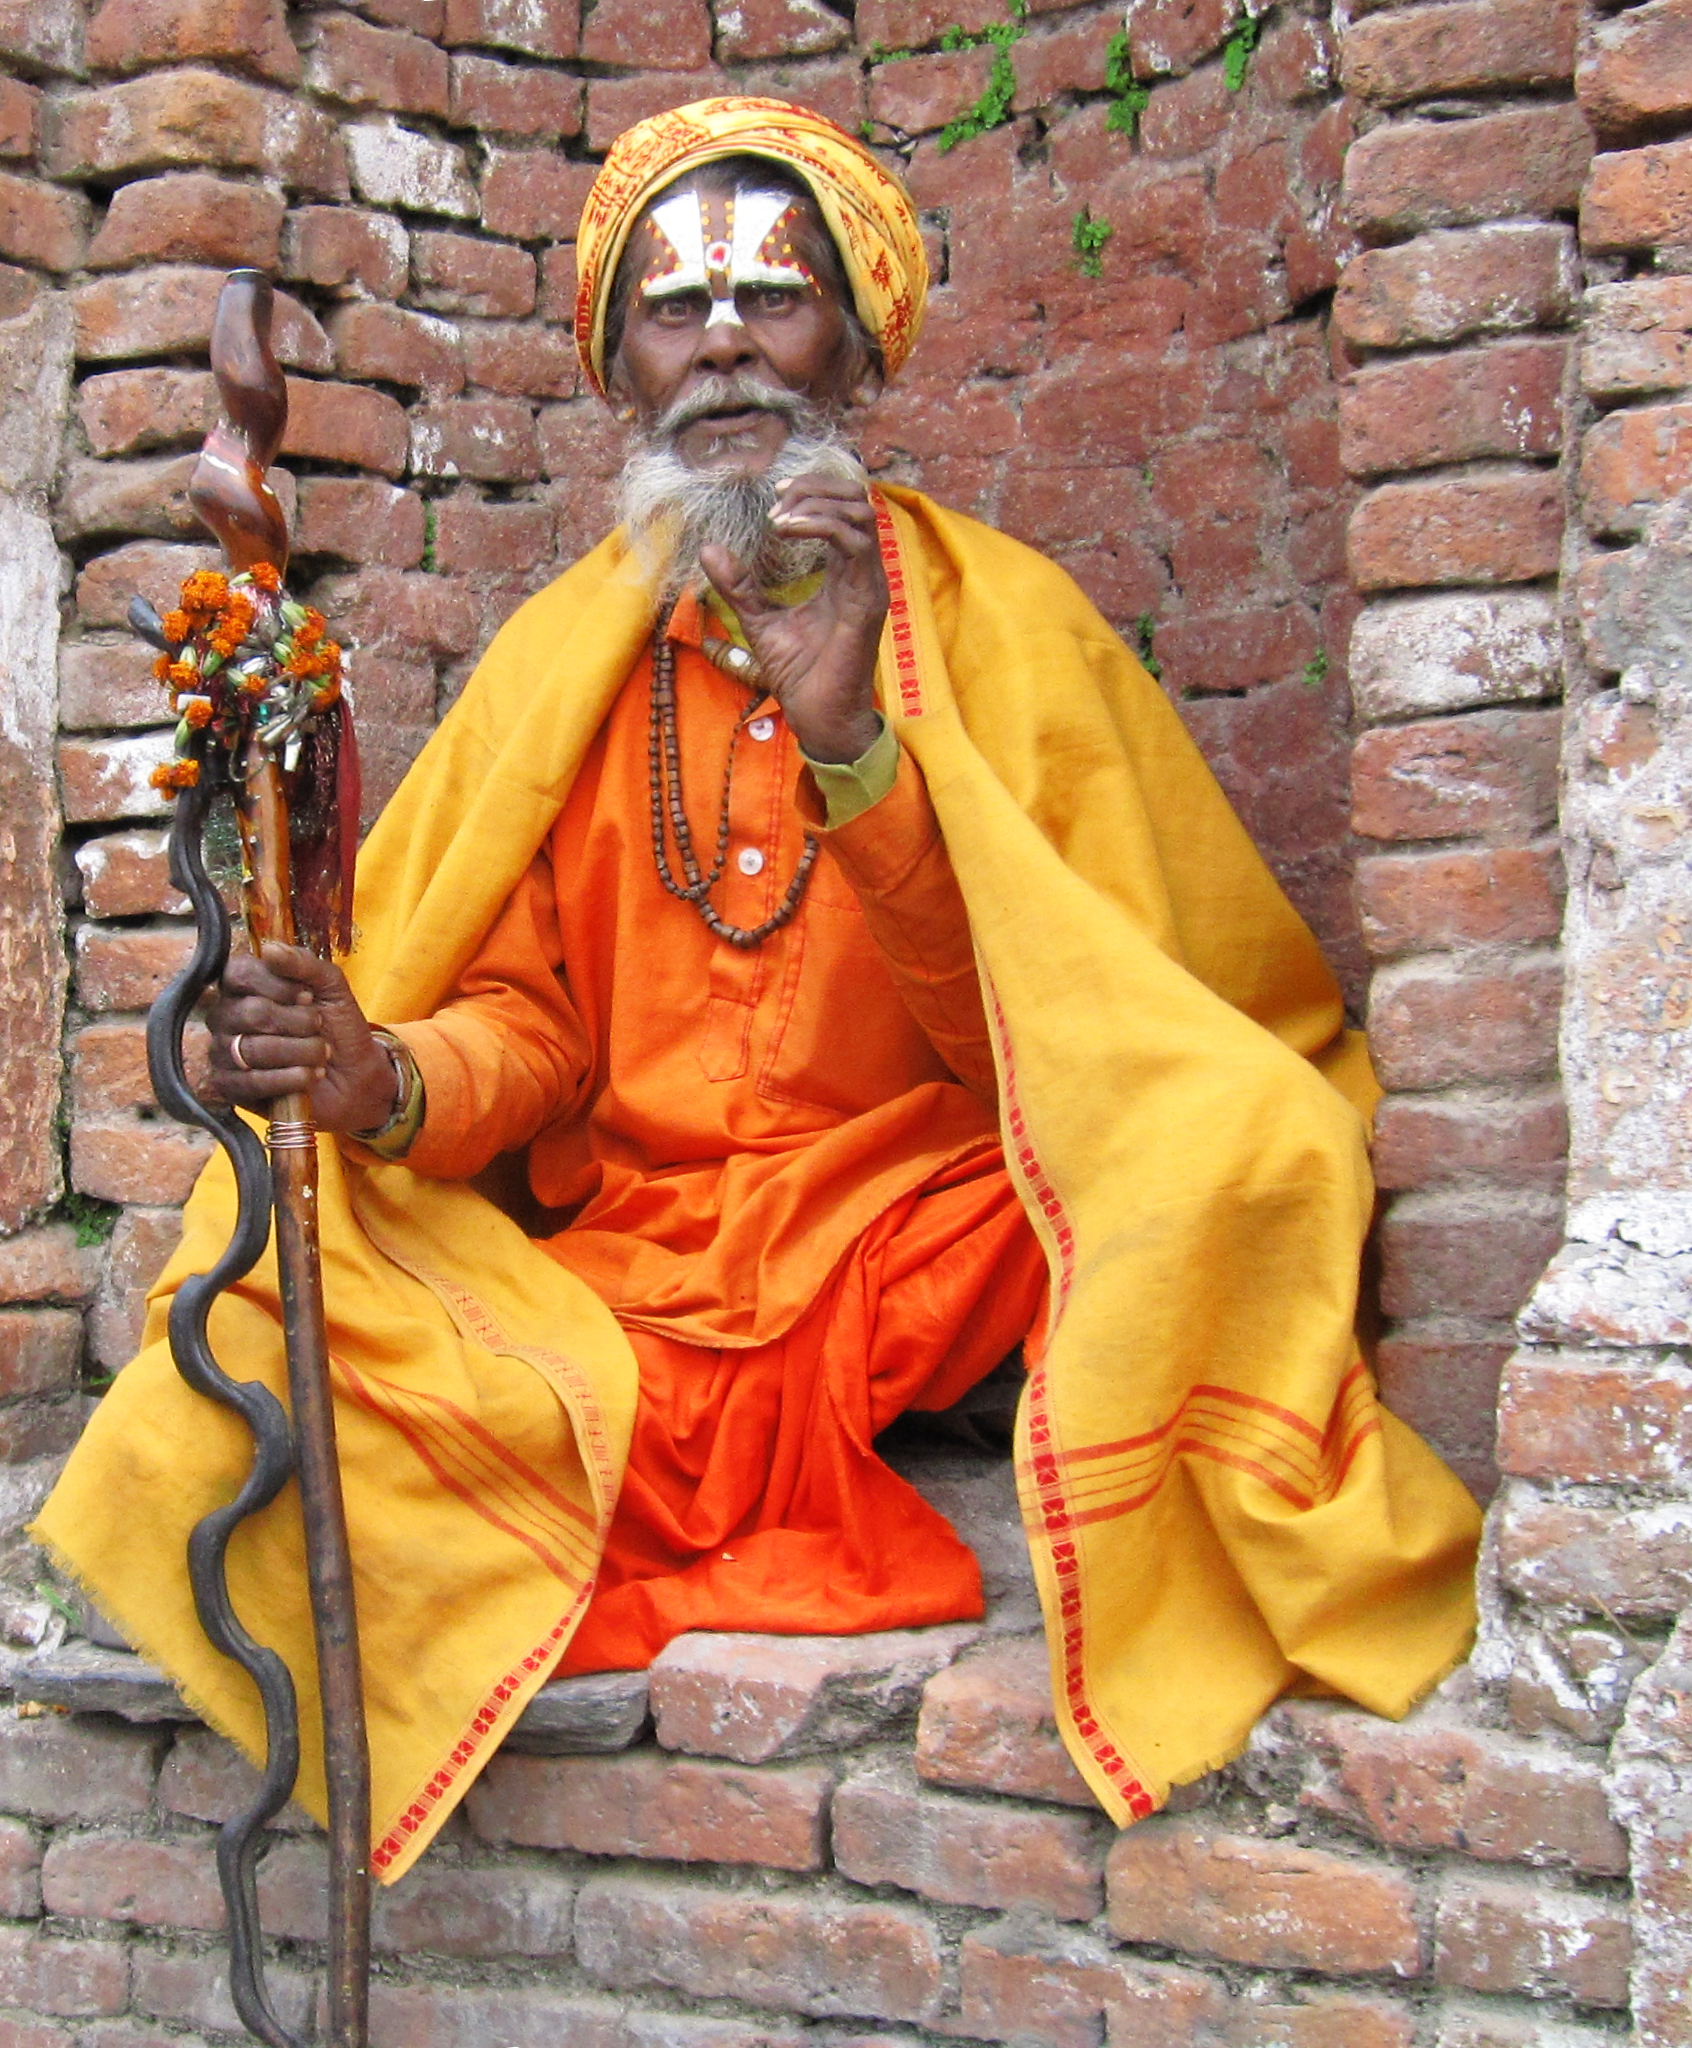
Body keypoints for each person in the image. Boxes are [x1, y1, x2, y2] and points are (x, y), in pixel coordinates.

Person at [36, 97, 1480, 1883]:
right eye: (673, 310)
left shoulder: (1004, 624)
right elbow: (538, 1034)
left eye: (774, 300)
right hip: (638, 1264)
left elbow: (1052, 1033)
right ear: (620, 370)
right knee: (255, 1347)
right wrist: (379, 1079)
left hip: (917, 1222)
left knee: (1228, 1156)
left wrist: (857, 732)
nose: (724, 339)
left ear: (853, 344)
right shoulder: (567, 665)